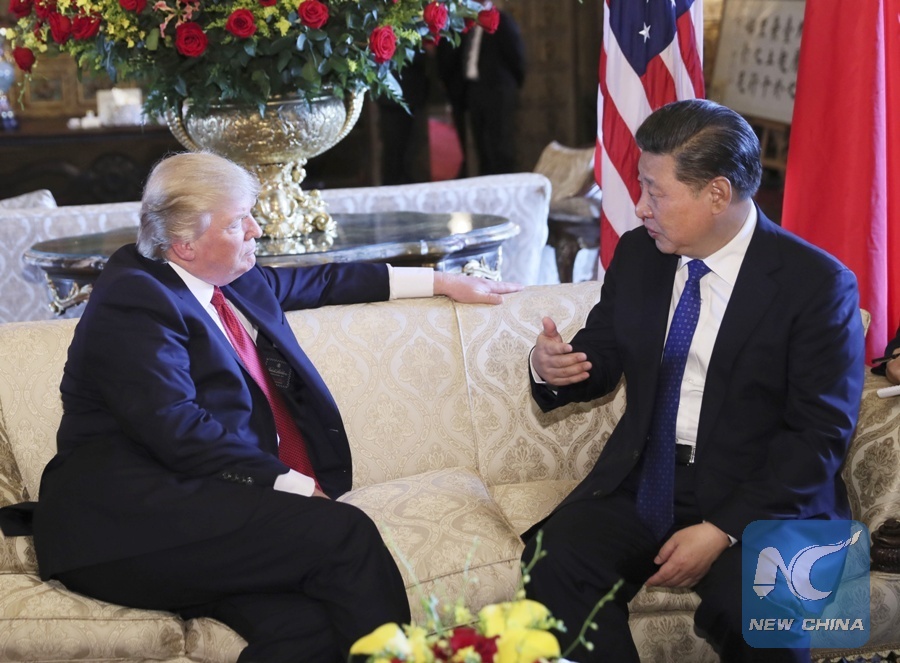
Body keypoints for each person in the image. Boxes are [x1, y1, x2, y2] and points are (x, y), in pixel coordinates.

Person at [0, 152, 521, 663]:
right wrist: (295, 485)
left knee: (307, 630)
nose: (256, 230)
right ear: (184, 244)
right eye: (237, 223)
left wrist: (442, 281)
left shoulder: (229, 276)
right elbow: (178, 429)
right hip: (121, 528)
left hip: (200, 512)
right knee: (345, 532)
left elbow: (324, 281)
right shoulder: (133, 299)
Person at [522, 99, 864, 663]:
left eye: (655, 192)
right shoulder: (641, 253)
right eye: (641, 187)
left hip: (765, 495)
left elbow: (819, 437)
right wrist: (554, 366)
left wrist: (724, 529)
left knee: (756, 614)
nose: (640, 207)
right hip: (648, 478)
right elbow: (601, 351)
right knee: (553, 564)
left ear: (717, 194)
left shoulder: (816, 286)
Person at [438, 2, 526, 176]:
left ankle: (503, 186)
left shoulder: (502, 21)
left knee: (500, 147)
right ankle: (486, 184)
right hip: (474, 91)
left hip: (497, 93)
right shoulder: (468, 23)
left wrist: (507, 86)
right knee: (482, 147)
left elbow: (516, 57)